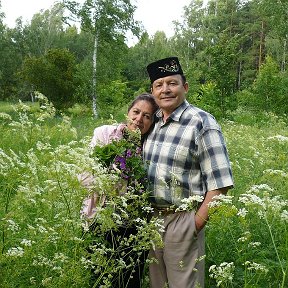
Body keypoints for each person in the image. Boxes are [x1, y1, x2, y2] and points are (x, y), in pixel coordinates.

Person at [143, 57, 234, 288]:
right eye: (159, 85)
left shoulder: (202, 123)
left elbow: (220, 185)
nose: (165, 90)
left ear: (185, 87)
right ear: (152, 91)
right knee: (157, 285)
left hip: (182, 219)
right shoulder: (150, 123)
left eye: (172, 83)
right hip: (150, 220)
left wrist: (193, 226)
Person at [79, 93, 158, 288]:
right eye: (136, 112)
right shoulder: (105, 134)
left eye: (147, 116)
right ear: (128, 112)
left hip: (132, 227)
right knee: (99, 278)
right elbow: (84, 177)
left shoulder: (151, 147)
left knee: (130, 280)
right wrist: (114, 186)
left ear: (152, 122)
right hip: (98, 219)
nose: (139, 119)